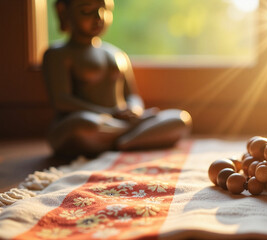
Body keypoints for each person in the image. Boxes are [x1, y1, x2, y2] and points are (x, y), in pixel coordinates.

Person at [43, 0, 191, 158]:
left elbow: (132, 95)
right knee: (84, 125)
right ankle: (137, 136)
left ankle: (124, 142)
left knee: (180, 119)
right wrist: (109, 113)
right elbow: (61, 101)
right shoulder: (58, 54)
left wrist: (134, 110)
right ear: (63, 12)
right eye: (87, 11)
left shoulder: (116, 54)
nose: (99, 17)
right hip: (92, 123)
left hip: (120, 122)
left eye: (104, 10)